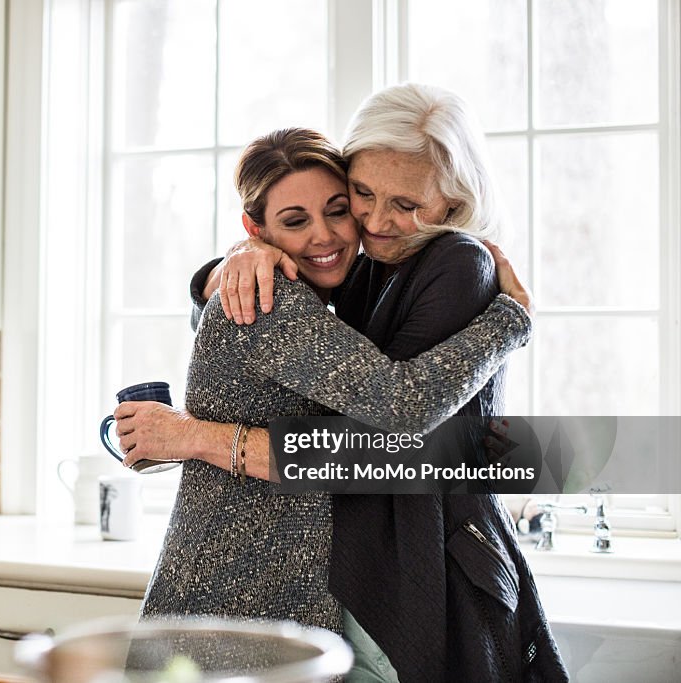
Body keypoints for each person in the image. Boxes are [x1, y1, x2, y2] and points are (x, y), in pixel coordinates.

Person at [122, 118, 561, 681]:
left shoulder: (314, 293)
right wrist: (511, 321)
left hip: (263, 591)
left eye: (336, 209)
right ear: (255, 230)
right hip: (235, 591)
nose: (326, 236)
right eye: (295, 221)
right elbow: (401, 409)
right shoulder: (275, 303)